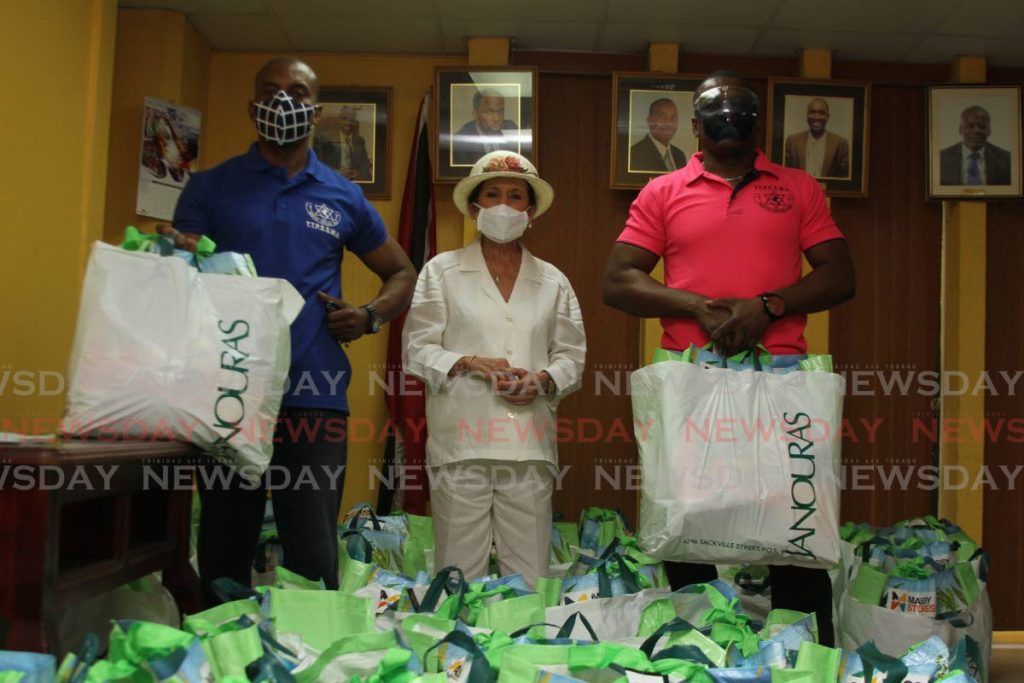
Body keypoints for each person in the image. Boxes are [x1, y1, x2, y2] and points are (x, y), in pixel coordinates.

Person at [602, 71, 855, 646]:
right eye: (715, 110)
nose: (729, 119)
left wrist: (768, 307)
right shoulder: (663, 191)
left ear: (758, 123)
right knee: (690, 526)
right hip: (695, 379)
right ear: (694, 124)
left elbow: (841, 275)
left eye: (742, 110)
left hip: (784, 384)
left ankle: (807, 657)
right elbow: (617, 282)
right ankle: (697, 652)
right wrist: (698, 305)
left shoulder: (797, 188)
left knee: (796, 531)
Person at [161, 57, 416, 604]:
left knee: (312, 550)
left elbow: (401, 271)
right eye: (270, 91)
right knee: (225, 546)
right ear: (253, 104)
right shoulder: (210, 186)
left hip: (315, 394)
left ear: (315, 110)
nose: (282, 101)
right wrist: (173, 253)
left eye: (296, 92)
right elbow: (177, 274)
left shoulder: (343, 195)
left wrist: (370, 315)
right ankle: (225, 657)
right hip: (229, 394)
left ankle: (312, 656)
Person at [403, 151, 586, 588]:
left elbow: (572, 358)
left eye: (516, 196)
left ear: (531, 212)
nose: (505, 205)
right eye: (494, 194)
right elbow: (416, 349)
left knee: (528, 577)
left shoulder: (553, 281)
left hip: (528, 448)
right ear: (474, 207)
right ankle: (453, 651)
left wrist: (541, 380)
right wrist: (467, 361)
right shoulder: (440, 272)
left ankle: (524, 651)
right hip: (460, 444)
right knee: (457, 576)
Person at [939, 105, 1012, 185]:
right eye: (970, 126)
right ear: (960, 129)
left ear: (989, 130)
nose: (976, 130)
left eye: (982, 126)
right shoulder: (941, 159)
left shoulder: (1006, 160)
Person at [784, 97, 850, 179]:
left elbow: (844, 179)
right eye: (812, 112)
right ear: (807, 116)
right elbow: (786, 175)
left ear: (828, 117)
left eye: (821, 113)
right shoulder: (792, 142)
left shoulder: (840, 144)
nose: (816, 117)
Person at [452, 89, 520, 166]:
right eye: (489, 111)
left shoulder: (511, 128)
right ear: (475, 114)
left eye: (500, 111)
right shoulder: (461, 141)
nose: (497, 118)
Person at [314, 106, 372, 181]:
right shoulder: (323, 138)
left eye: (351, 120)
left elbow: (364, 165)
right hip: (332, 180)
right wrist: (338, 173)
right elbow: (317, 163)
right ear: (338, 119)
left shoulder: (360, 140)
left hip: (354, 182)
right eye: (344, 119)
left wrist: (358, 174)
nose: (347, 123)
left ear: (355, 122)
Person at [629, 98, 687, 172]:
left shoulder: (680, 156)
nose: (669, 123)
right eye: (663, 117)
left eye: (673, 117)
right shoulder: (634, 155)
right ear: (649, 120)